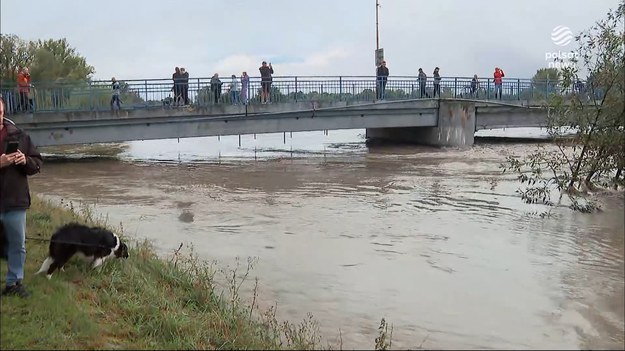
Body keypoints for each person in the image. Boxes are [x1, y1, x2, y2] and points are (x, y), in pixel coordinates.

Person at [0, 96, 43, 298]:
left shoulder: (20, 136)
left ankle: (13, 283)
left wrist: (24, 159)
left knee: (18, 244)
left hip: (15, 201)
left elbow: (37, 164)